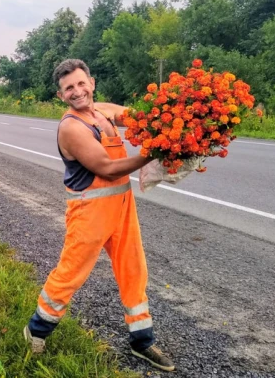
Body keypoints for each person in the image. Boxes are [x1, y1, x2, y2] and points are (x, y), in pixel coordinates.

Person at [23, 59, 175, 372]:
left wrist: (168, 122)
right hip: (89, 212)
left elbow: (128, 115)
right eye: (69, 89)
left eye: (81, 84)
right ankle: (37, 330)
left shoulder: (99, 111)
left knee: (134, 269)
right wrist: (151, 153)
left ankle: (142, 340)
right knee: (70, 273)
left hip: (121, 209)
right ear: (60, 95)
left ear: (91, 82)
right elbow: (106, 167)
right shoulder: (71, 127)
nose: (77, 92)